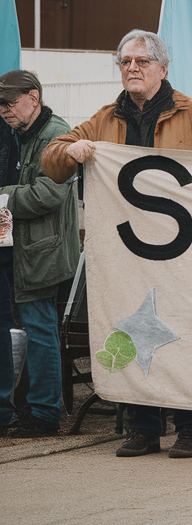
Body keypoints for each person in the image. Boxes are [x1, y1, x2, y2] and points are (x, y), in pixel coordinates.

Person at [43, 30, 192, 458]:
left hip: (182, 252)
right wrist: (72, 151)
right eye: (125, 61)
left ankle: (189, 427)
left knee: (184, 334)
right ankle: (142, 427)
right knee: (130, 331)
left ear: (162, 69)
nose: (132, 68)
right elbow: (51, 159)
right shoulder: (107, 118)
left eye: (141, 62)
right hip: (126, 253)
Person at [0, 71, 79, 438]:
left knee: (41, 329)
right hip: (24, 249)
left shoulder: (54, 134)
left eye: (10, 102)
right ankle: (34, 407)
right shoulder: (19, 133)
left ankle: (45, 414)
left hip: (41, 251)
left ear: (34, 96)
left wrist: (4, 197)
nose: (4, 110)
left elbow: (49, 193)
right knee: (32, 327)